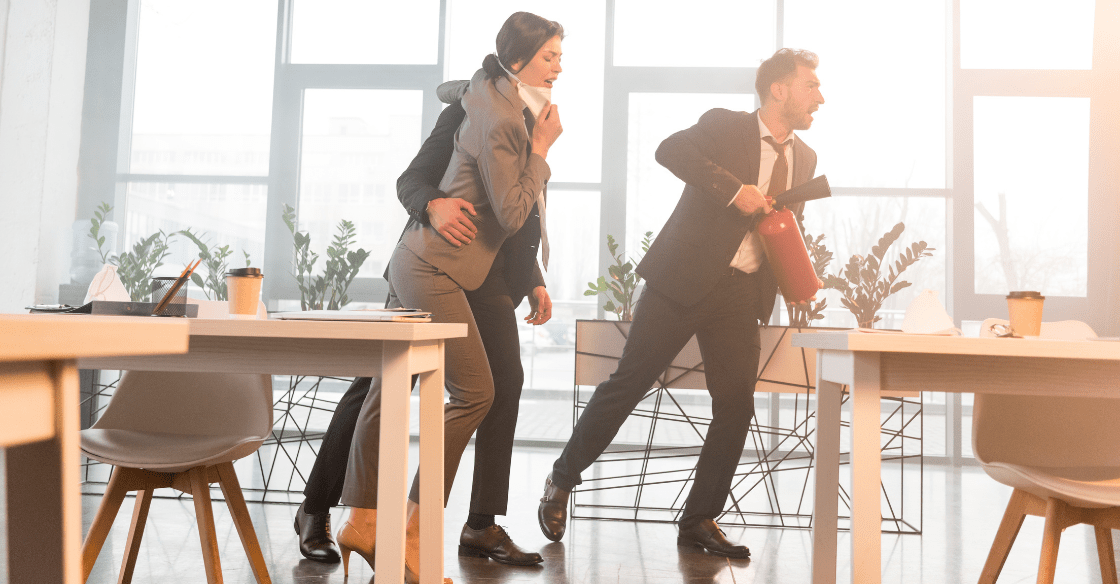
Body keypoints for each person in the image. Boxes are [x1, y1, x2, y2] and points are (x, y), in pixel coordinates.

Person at [536, 48, 825, 558]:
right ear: (779, 89)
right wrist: (735, 191)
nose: (818, 97)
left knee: (735, 407)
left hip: (743, 293)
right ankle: (562, 478)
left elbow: (785, 227)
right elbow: (669, 151)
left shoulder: (805, 157)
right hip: (682, 280)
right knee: (629, 383)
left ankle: (699, 519)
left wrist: (794, 283)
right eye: (810, 86)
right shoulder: (725, 125)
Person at [329, 12, 565, 580]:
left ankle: (367, 520)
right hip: (435, 262)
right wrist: (542, 151)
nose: (560, 65)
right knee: (474, 392)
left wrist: (529, 272)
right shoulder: (509, 120)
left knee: (393, 386)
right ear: (518, 61)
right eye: (551, 55)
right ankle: (404, 524)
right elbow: (510, 211)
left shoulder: (488, 92)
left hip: (446, 265)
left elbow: (454, 88)